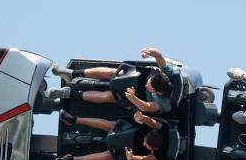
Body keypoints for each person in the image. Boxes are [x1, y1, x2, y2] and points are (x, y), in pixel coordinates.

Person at [49, 47, 179, 114]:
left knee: (108, 96)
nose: (147, 85)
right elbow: (158, 54)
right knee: (114, 73)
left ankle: (69, 93)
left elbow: (146, 107)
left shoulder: (165, 103)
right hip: (138, 75)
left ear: (158, 93)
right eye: (149, 83)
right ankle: (72, 74)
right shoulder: (168, 75)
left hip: (139, 97)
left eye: (149, 86)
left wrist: (133, 98)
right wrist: (147, 52)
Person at [55, 109, 166, 160]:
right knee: (113, 125)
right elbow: (149, 121)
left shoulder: (157, 155)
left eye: (146, 145)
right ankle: (74, 119)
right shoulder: (160, 129)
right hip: (131, 131)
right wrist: (141, 117)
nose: (144, 144)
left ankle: (72, 159)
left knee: (110, 156)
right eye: (145, 141)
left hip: (132, 152)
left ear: (154, 149)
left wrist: (132, 158)